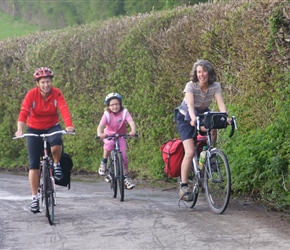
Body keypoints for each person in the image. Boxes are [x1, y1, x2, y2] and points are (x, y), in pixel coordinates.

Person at [15, 67, 74, 213]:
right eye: (43, 82)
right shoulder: (31, 95)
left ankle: (56, 164)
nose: (46, 85)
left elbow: (64, 109)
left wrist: (69, 125)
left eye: (48, 81)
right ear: (38, 83)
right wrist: (20, 129)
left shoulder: (57, 93)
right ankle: (34, 198)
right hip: (34, 128)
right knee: (34, 165)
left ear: (51, 82)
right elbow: (24, 112)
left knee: (56, 143)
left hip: (52, 126)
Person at [176, 59, 231, 201]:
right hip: (186, 116)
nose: (201, 74)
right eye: (199, 72)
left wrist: (225, 118)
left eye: (204, 71)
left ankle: (211, 155)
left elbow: (221, 104)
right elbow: (190, 106)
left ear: (209, 73)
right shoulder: (191, 86)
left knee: (214, 124)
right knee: (190, 151)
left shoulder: (215, 86)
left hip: (202, 112)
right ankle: (183, 186)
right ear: (196, 73)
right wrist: (193, 119)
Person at [97, 92, 136, 190]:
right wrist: (100, 134)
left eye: (117, 104)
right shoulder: (107, 114)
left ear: (120, 104)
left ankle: (126, 178)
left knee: (123, 156)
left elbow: (131, 121)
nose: (115, 106)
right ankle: (104, 162)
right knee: (109, 144)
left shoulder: (124, 112)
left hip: (121, 136)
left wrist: (133, 131)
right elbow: (100, 126)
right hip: (108, 135)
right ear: (108, 106)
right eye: (112, 105)